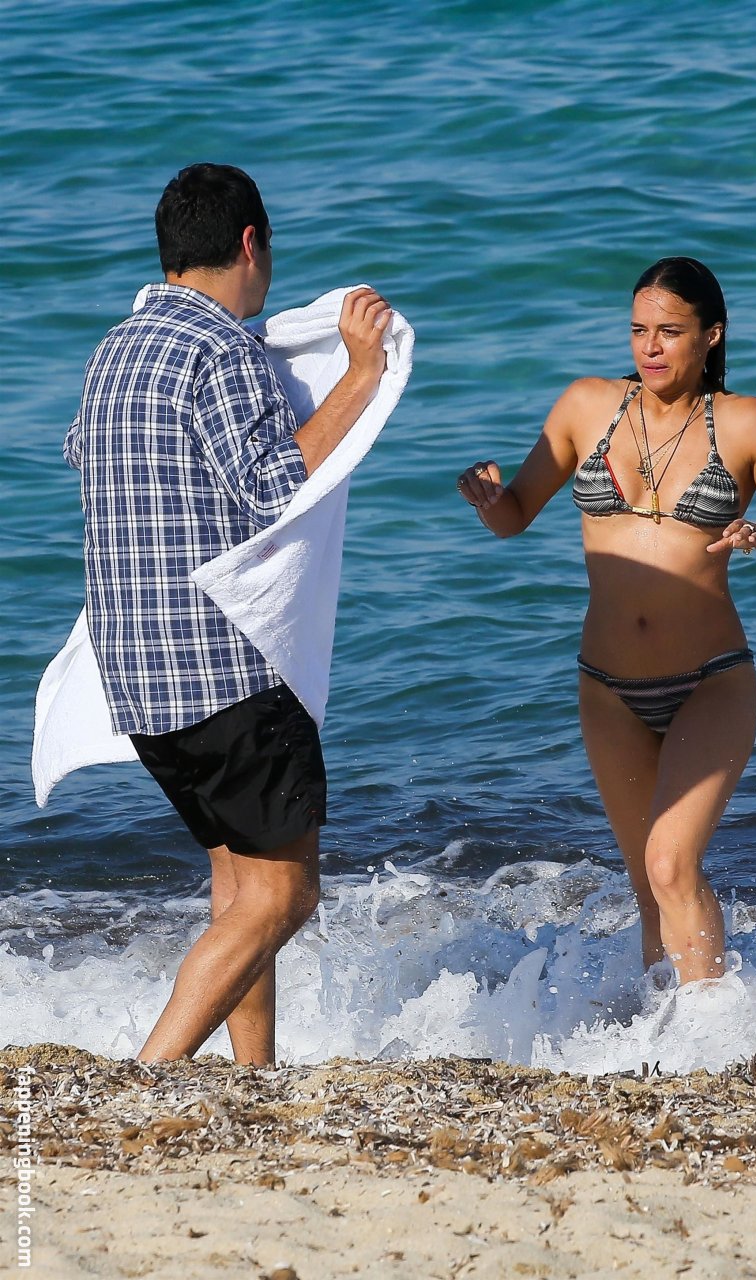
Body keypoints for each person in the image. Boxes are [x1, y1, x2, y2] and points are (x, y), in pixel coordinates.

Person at [64, 163, 391, 1063]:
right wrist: (360, 375)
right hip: (223, 669)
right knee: (284, 896)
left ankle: (251, 1077)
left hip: (136, 679)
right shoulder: (221, 350)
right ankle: (149, 1074)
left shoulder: (114, 351)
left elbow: (90, 460)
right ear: (251, 243)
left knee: (239, 886)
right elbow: (277, 486)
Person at [457, 256, 756, 986]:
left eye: (669, 331)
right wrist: (487, 499)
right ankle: (668, 1030)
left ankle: (713, 1028)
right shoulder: (585, 406)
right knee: (647, 884)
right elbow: (514, 515)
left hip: (710, 682)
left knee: (670, 863)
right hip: (607, 690)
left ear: (711, 335)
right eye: (638, 331)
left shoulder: (746, 422)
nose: (649, 347)